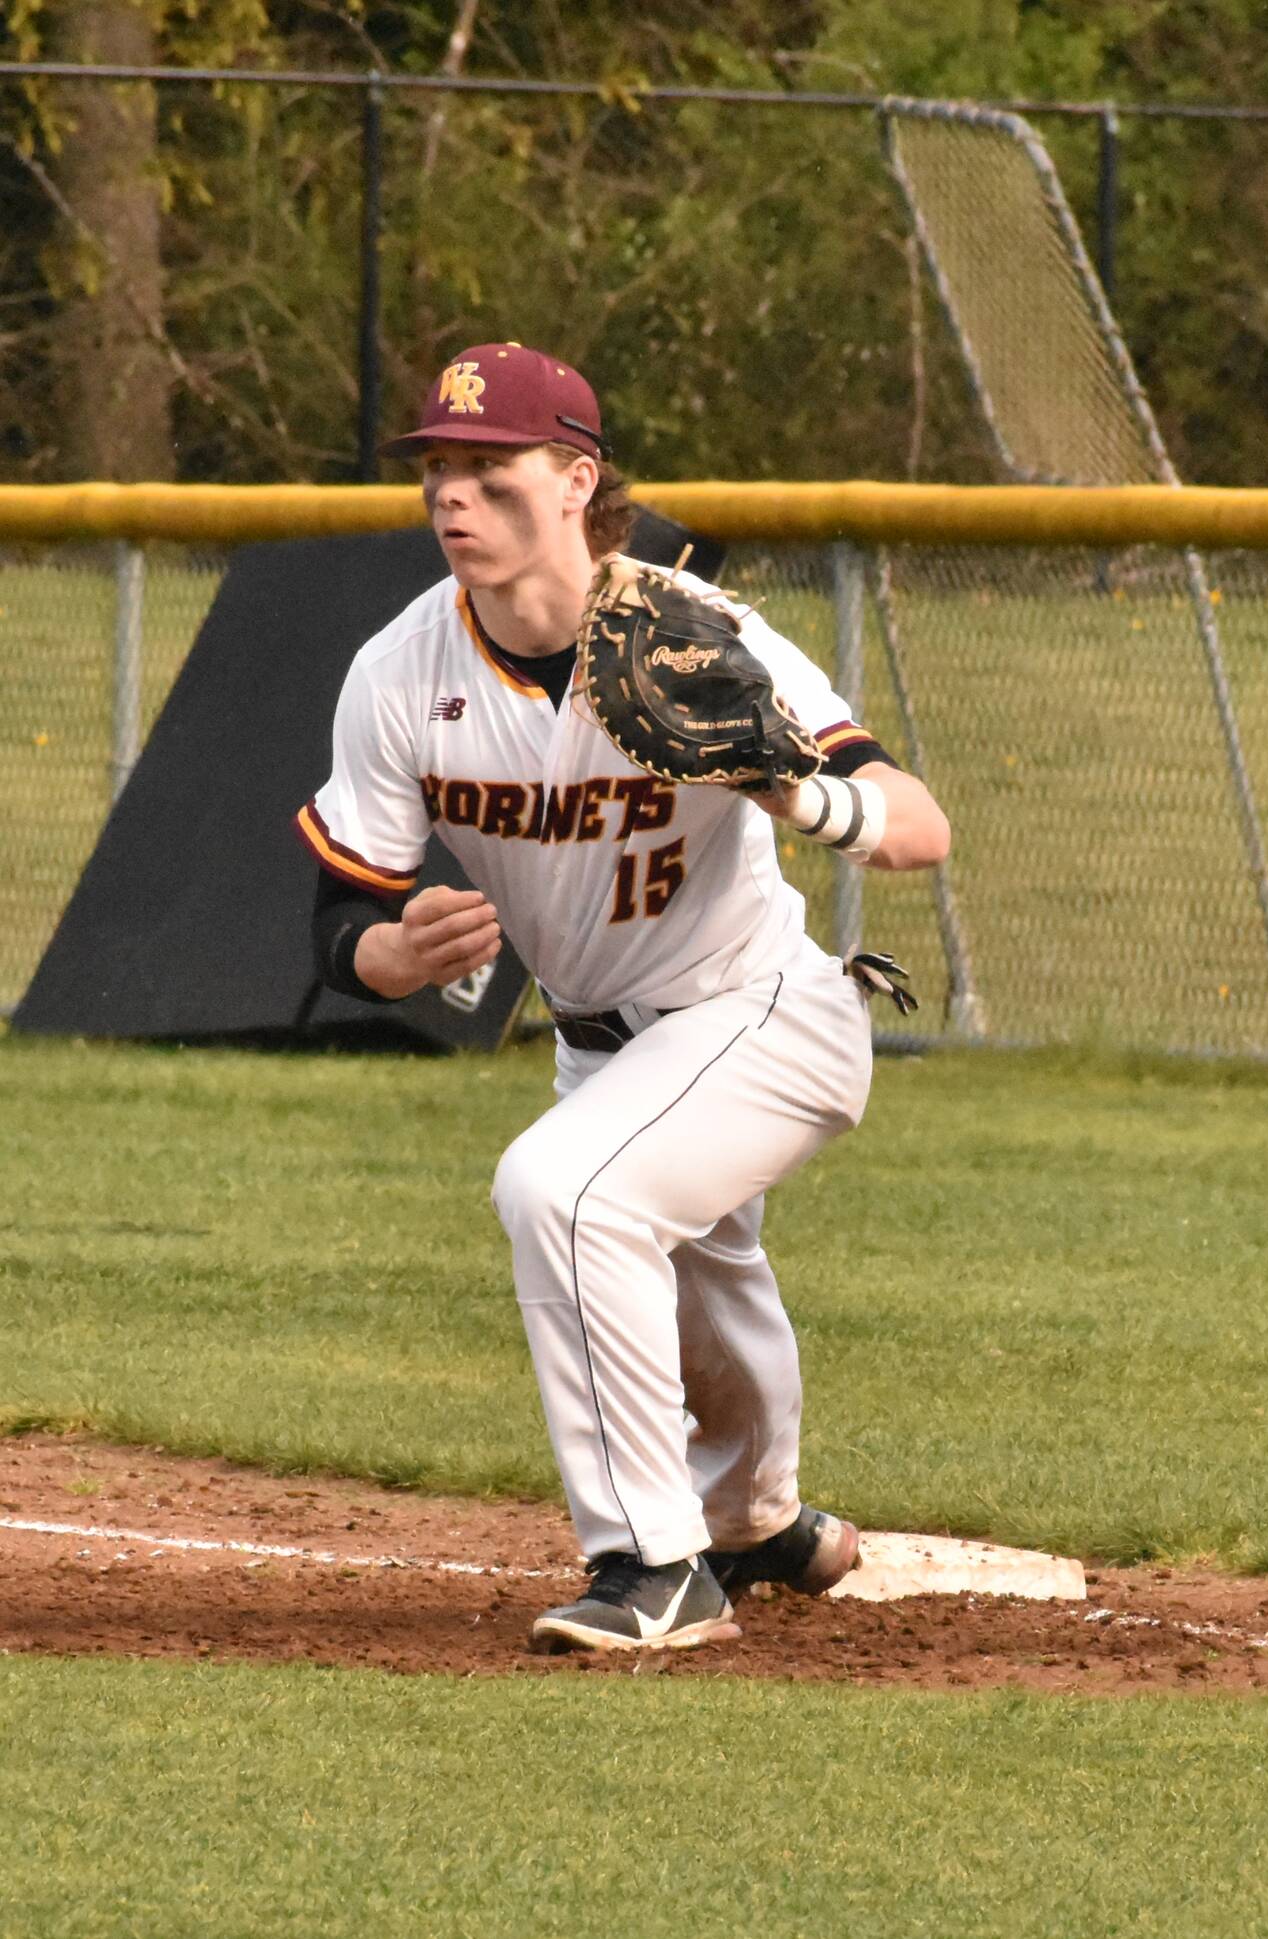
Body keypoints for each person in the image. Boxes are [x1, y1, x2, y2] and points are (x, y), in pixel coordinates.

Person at [294, 342, 950, 1653]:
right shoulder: (400, 672)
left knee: (565, 1191)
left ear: (577, 476)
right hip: (602, 1047)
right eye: (438, 469)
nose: (454, 497)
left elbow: (919, 825)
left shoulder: (692, 635)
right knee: (704, 1288)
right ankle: (753, 1525)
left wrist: (808, 797)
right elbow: (342, 923)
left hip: (764, 1014)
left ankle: (655, 1567)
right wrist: (393, 953)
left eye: (490, 468)